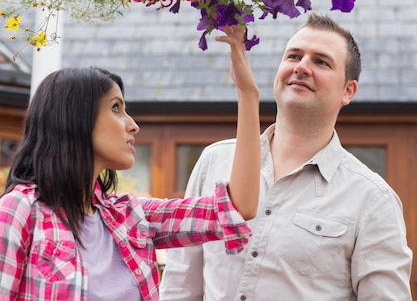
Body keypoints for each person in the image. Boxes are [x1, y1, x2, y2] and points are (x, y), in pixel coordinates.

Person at [160, 13, 413, 301]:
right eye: (293, 56)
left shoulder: (372, 199)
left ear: (348, 91)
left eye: (321, 61)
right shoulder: (213, 162)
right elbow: (179, 287)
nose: (302, 67)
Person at [0, 25, 260, 301]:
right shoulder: (19, 212)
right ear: (75, 118)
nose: (133, 126)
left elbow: (237, 207)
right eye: (115, 108)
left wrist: (248, 94)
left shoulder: (132, 217)